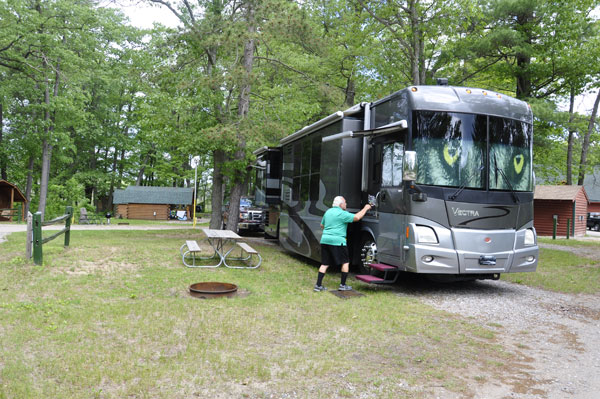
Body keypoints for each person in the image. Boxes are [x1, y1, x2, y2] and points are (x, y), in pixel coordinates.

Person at [314, 196, 372, 292]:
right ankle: (342, 285)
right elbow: (357, 217)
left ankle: (318, 285)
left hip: (325, 240)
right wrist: (365, 208)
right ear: (341, 204)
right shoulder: (342, 213)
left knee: (324, 263)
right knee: (345, 262)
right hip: (338, 241)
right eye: (345, 202)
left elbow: (322, 225)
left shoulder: (328, 212)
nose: (346, 204)